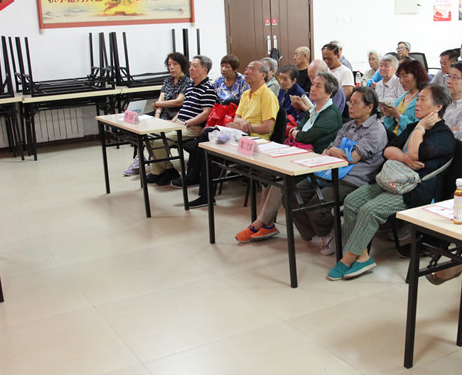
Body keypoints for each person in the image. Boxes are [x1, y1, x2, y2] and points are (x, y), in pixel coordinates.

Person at [328, 83, 455, 281]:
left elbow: (415, 153)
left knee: (370, 210)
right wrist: (404, 158)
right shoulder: (412, 127)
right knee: (352, 201)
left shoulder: (444, 135)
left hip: (415, 190)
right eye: (417, 98)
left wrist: (420, 128)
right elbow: (389, 150)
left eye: (422, 99)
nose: (417, 103)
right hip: (391, 179)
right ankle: (362, 256)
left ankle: (347, 258)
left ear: (438, 107)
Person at [236, 72, 343, 243]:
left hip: (317, 161)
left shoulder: (331, 114)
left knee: (281, 180)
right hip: (299, 155)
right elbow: (298, 130)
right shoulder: (313, 109)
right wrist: (296, 132)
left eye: (318, 86)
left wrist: (295, 132)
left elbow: (305, 136)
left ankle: (260, 223)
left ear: (329, 92)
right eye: (312, 84)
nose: (312, 89)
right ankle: (266, 224)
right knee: (269, 175)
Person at [291, 87, 389, 256]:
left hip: (355, 178)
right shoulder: (348, 125)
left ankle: (331, 234)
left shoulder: (376, 130)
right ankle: (321, 232)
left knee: (318, 205)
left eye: (356, 103)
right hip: (331, 171)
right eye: (350, 102)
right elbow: (330, 148)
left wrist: (336, 152)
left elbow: (353, 158)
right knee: (293, 193)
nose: (350, 106)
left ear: (369, 107)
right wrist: (333, 151)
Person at [176, 60, 280, 208]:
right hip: (239, 135)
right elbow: (237, 117)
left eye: (251, 69)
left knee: (207, 139)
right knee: (208, 137)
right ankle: (203, 189)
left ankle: (198, 180)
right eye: (246, 68)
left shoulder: (267, 96)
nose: (246, 72)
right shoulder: (246, 94)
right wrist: (240, 123)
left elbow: (267, 128)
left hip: (254, 142)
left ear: (263, 75)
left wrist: (247, 127)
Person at [143, 54, 218, 185]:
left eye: (195, 66)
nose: (191, 69)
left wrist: (186, 123)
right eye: (190, 66)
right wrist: (172, 122)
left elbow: (206, 114)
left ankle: (162, 171)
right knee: (148, 136)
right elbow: (184, 108)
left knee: (159, 141)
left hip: (193, 127)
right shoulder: (190, 87)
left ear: (205, 70)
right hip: (180, 123)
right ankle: (166, 169)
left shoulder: (208, 89)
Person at [124, 52, 192, 176]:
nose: (171, 67)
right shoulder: (167, 81)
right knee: (139, 123)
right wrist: (157, 116)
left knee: (152, 134)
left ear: (182, 65)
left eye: (175, 64)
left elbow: (179, 101)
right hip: (163, 112)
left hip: (177, 114)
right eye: (169, 64)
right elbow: (161, 99)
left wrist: (159, 104)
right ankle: (139, 157)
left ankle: (160, 165)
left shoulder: (187, 81)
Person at [380, 59, 429, 136]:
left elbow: (417, 129)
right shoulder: (401, 98)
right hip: (395, 137)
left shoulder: (423, 99)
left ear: (416, 75)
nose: (401, 81)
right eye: (400, 77)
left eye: (405, 76)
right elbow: (389, 128)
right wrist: (388, 116)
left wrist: (399, 116)